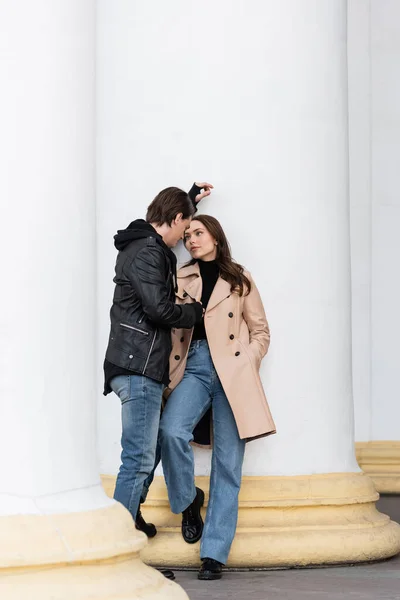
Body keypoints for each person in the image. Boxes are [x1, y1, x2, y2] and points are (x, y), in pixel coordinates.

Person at [159, 214, 276, 581]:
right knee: (171, 431)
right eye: (188, 234)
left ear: (215, 237)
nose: (191, 240)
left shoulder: (239, 278)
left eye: (199, 233)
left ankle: (214, 553)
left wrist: (248, 359)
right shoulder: (181, 276)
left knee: (228, 463)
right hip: (192, 366)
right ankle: (188, 500)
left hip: (233, 371)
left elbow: (261, 331)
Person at [103, 182, 213, 549]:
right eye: (186, 226)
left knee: (144, 452)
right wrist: (194, 312)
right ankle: (117, 544)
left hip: (134, 364)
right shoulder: (149, 251)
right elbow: (159, 309)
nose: (186, 237)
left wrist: (189, 196)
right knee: (137, 459)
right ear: (176, 219)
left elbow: (177, 213)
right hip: (139, 367)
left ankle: (129, 515)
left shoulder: (140, 244)